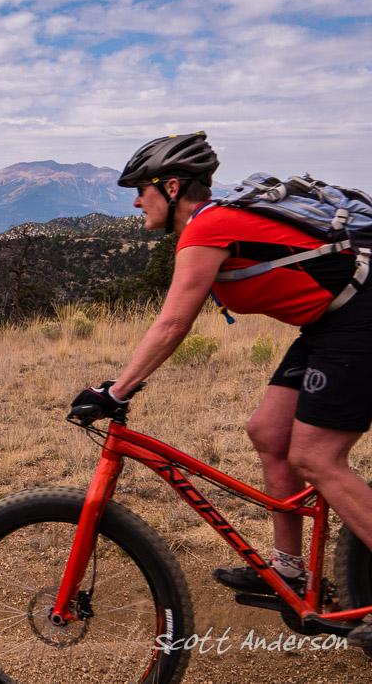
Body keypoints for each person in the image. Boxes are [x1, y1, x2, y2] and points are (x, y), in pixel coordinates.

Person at [71, 131, 372, 645]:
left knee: (318, 458)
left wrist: (116, 392)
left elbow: (172, 324)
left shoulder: (207, 227)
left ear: (171, 187)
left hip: (360, 319)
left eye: (142, 188)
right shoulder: (213, 225)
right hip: (330, 323)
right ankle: (288, 569)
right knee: (267, 433)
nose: (135, 199)